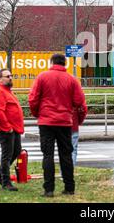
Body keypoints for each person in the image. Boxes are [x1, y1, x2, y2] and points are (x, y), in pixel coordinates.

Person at [29, 54, 87, 197]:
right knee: (66, 155)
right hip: (65, 122)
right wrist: (76, 119)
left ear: (51, 62)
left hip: (46, 122)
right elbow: (80, 101)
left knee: (47, 155)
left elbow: (33, 98)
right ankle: (69, 187)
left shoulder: (42, 77)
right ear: (65, 64)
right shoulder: (72, 80)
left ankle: (49, 189)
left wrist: (38, 114)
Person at [0, 68, 25, 191]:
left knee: (16, 151)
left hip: (13, 128)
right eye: (7, 76)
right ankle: (5, 182)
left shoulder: (7, 91)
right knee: (7, 155)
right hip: (7, 129)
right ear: (0, 79)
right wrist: (7, 127)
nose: (10, 77)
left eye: (11, 75)